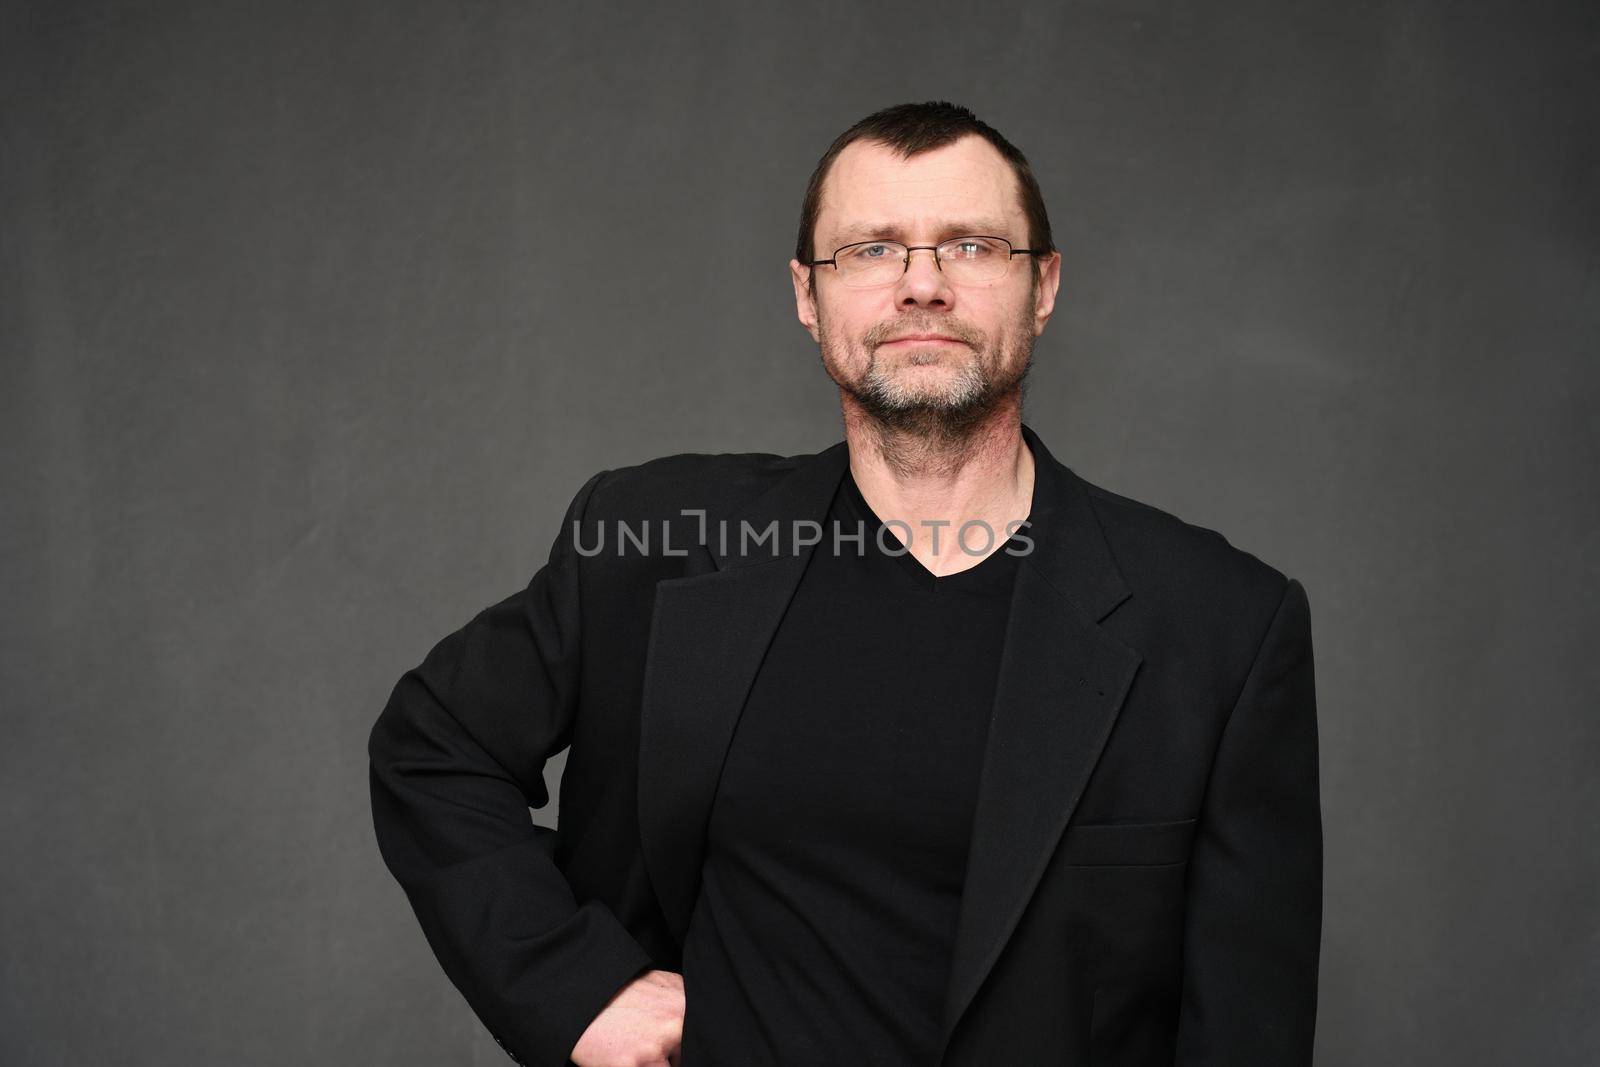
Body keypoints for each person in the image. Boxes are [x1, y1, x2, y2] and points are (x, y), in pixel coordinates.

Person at [368, 100, 1322, 1067]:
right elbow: (431, 746)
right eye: (870, 250)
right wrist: (577, 988)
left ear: (1043, 286)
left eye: (973, 246)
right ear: (806, 296)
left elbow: (1248, 1032)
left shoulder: (1224, 625)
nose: (922, 287)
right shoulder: (657, 545)